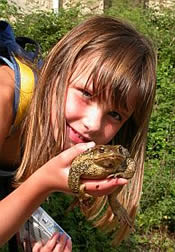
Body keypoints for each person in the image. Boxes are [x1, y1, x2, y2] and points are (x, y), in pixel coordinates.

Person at [0, 15, 156, 250]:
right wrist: (42, 183)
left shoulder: (51, 130)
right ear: (56, 73)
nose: (93, 124)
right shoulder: (5, 96)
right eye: (86, 93)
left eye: (115, 115)